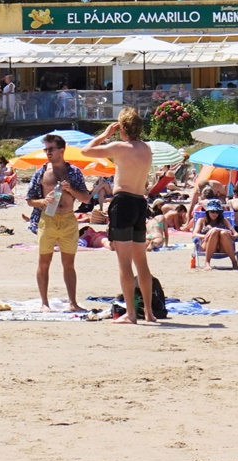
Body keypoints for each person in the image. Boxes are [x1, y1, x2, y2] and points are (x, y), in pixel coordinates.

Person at [83, 107, 160, 324]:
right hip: (139, 203)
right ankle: (148, 312)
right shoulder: (146, 149)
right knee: (141, 262)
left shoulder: (120, 147)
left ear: (122, 127)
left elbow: (86, 151)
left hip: (123, 202)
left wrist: (104, 135)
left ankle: (131, 314)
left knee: (124, 262)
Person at [25, 134, 88, 312]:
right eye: (46, 149)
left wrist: (71, 190)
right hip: (48, 219)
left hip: (68, 219)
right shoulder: (42, 172)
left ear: (61, 150)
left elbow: (85, 198)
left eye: (50, 149)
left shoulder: (74, 172)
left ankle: (73, 303)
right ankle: (44, 303)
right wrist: (42, 201)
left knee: (69, 264)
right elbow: (30, 199)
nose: (47, 153)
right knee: (44, 261)